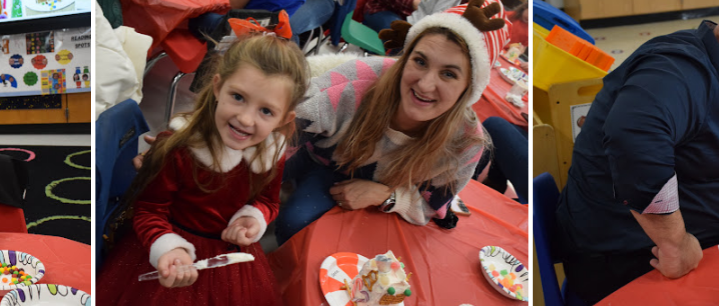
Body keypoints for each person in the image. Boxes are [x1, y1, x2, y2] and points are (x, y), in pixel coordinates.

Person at [553, 0, 719, 303]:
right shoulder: (677, 68)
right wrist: (675, 243)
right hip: (625, 254)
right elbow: (634, 142)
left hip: (702, 229)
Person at [95, 34, 308, 305]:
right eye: (238, 97)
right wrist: (167, 249)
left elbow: (268, 200)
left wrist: (254, 219)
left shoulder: (271, 153)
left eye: (266, 111)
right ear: (218, 87)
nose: (245, 118)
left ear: (285, 118)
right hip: (174, 253)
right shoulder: (181, 149)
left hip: (231, 261)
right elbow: (149, 210)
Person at [272, 1, 505, 244]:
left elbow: (432, 205)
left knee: (308, 228)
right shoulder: (358, 80)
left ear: (469, 88)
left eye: (448, 74)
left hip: (376, 187)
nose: (424, 85)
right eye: (420, 61)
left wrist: (387, 196)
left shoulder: (465, 142)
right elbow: (286, 126)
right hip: (317, 154)